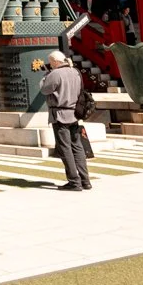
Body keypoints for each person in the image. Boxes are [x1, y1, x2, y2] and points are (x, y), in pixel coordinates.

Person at [39, 50, 92, 191]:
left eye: (51, 62)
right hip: (75, 113)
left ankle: (74, 181)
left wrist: (46, 75)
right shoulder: (75, 71)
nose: (50, 65)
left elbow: (44, 90)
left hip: (60, 114)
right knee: (77, 146)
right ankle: (85, 180)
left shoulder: (54, 74)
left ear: (55, 62)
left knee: (65, 148)